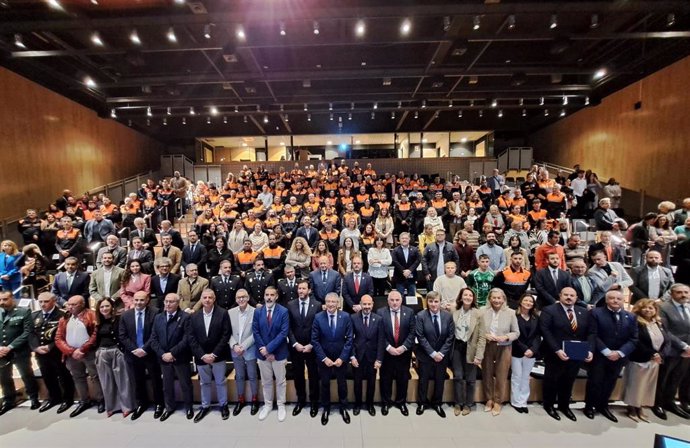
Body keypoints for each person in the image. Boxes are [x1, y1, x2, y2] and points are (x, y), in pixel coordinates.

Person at [624, 299, 686, 422]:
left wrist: (661, 355)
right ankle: (632, 408)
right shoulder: (635, 322)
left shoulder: (659, 322)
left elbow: (667, 340)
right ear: (639, 309)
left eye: (651, 308)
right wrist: (652, 354)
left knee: (647, 386)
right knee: (636, 385)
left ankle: (640, 407)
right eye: (645, 308)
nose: (648, 310)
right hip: (640, 359)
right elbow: (636, 341)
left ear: (655, 310)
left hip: (656, 361)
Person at [583, 287, 639, 422]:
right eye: (612, 298)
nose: (615, 300)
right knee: (595, 381)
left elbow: (634, 339)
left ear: (623, 300)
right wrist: (607, 351)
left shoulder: (631, 316)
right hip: (600, 355)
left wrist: (620, 353)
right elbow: (592, 334)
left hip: (619, 357)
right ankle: (589, 406)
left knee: (610, 382)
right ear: (606, 300)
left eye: (618, 298)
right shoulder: (596, 313)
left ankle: (603, 406)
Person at [539, 287, 595, 422]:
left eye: (572, 295)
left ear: (576, 298)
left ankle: (564, 406)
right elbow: (545, 331)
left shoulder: (583, 312)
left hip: (576, 354)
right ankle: (549, 405)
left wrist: (590, 350)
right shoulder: (549, 310)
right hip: (555, 353)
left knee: (569, 380)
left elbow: (591, 332)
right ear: (560, 296)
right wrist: (557, 349)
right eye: (566, 295)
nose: (569, 297)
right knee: (551, 380)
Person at [55, 295, 105, 417]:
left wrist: (82, 349)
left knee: (95, 376)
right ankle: (84, 401)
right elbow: (58, 338)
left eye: (73, 304)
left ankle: (101, 400)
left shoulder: (92, 315)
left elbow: (95, 334)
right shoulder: (65, 317)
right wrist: (71, 351)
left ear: (82, 304)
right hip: (71, 354)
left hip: (88, 353)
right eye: (69, 304)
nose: (70, 307)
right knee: (78, 377)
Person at [187, 288, 231, 423]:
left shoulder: (223, 313)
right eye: (204, 297)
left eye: (210, 297)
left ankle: (223, 405)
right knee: (204, 383)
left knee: (220, 382)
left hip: (218, 355)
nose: (207, 300)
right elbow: (191, 337)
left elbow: (226, 334)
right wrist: (202, 355)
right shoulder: (194, 316)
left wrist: (214, 353)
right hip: (201, 357)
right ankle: (205, 406)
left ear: (214, 299)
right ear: (201, 299)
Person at [118, 290, 164, 420]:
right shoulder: (125, 315)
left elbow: (156, 333)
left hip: (150, 353)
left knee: (156, 381)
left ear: (147, 300)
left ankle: (159, 404)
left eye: (141, 300)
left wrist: (145, 349)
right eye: (136, 300)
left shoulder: (156, 313)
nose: (138, 302)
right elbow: (122, 335)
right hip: (133, 355)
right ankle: (141, 404)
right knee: (137, 381)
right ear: (133, 300)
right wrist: (135, 349)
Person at [311, 292, 354, 425]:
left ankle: (344, 408)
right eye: (328, 301)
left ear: (338, 303)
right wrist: (324, 358)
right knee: (325, 384)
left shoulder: (346, 317)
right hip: (324, 359)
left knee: (342, 384)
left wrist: (342, 358)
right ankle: (326, 409)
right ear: (325, 303)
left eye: (333, 302)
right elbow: (315, 340)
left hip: (341, 358)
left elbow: (350, 339)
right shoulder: (318, 317)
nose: (330, 304)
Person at [29, 292, 75, 414]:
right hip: (40, 353)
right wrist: (36, 347)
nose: (43, 304)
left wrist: (50, 346)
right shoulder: (34, 315)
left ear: (54, 301)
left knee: (63, 375)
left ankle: (68, 398)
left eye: (46, 301)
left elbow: (65, 335)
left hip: (57, 351)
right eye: (40, 302)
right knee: (47, 376)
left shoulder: (62, 315)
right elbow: (31, 333)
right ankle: (54, 398)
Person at [252, 286, 290, 422]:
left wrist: (269, 349)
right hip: (262, 354)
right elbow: (255, 332)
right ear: (263, 296)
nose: (269, 297)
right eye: (267, 294)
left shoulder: (284, 311)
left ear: (276, 296)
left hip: (278, 353)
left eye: (272, 295)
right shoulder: (258, 311)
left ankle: (281, 405)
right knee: (266, 381)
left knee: (280, 381)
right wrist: (265, 350)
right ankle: (268, 405)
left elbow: (283, 333)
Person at [480, 288, 520, 416]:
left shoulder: (511, 313)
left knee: (501, 375)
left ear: (503, 299)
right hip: (487, 346)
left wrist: (506, 337)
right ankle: (489, 399)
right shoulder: (482, 311)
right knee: (487, 372)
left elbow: (516, 332)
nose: (496, 300)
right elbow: (477, 329)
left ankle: (498, 401)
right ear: (490, 299)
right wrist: (485, 335)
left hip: (504, 346)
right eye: (494, 298)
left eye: (499, 298)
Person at [414, 291, 454, 418]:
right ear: (427, 302)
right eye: (430, 301)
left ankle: (437, 403)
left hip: (442, 356)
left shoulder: (447, 316)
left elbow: (450, 336)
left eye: (436, 301)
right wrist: (432, 353)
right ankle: (422, 403)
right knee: (423, 380)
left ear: (440, 302)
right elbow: (420, 336)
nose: (433, 304)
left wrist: (441, 353)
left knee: (440, 380)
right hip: (426, 355)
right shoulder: (420, 316)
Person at [94, 297, 135, 418]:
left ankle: (127, 406)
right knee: (107, 382)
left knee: (123, 380)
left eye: (107, 306)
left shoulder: (119, 319)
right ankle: (111, 406)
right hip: (102, 352)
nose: (104, 309)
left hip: (117, 351)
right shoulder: (97, 322)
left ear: (112, 307)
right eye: (102, 307)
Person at [0, 290, 39, 415]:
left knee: (26, 375)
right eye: (0, 300)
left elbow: (27, 332)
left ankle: (33, 397)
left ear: (12, 298)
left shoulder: (23, 311)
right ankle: (9, 400)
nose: (2, 302)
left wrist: (10, 346)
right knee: (4, 378)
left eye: (5, 299)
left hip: (19, 351)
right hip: (2, 352)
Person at [654, 283, 690, 420]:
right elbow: (665, 331)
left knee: (678, 377)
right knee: (663, 378)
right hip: (671, 349)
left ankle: (670, 402)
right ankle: (658, 404)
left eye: (686, 292)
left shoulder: (689, 306)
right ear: (672, 293)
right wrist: (683, 346)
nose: (683, 295)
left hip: (688, 351)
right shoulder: (663, 307)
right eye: (679, 292)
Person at [377, 290, 416, 416]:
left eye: (397, 300)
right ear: (388, 301)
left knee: (403, 378)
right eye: (392, 300)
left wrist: (403, 347)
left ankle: (401, 402)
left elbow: (412, 333)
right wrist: (388, 347)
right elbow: (380, 334)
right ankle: (386, 402)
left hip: (404, 353)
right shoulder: (380, 312)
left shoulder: (409, 312)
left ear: (401, 300)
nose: (394, 303)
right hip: (387, 353)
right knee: (385, 378)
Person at [287, 279, 321, 418]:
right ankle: (301, 400)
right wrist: (295, 344)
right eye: (299, 288)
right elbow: (288, 327)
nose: (301, 291)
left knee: (314, 375)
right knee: (298, 375)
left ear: (309, 290)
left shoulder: (317, 305)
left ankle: (314, 402)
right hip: (296, 348)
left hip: (312, 347)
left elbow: (318, 327)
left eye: (303, 288)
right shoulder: (290, 304)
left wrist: (312, 344)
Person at [451, 288, 485, 416]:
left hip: (471, 348)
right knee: (458, 376)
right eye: (465, 295)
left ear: (473, 298)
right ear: (461, 297)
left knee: (470, 379)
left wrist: (479, 355)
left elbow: (482, 337)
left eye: (470, 295)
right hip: (457, 347)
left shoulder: (479, 313)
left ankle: (468, 403)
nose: (468, 297)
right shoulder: (454, 311)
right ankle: (458, 403)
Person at [350, 294, 384, 417]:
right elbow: (350, 340)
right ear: (360, 304)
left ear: (372, 304)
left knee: (371, 383)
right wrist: (352, 357)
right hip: (358, 357)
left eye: (369, 304)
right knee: (357, 383)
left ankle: (370, 404)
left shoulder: (379, 319)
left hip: (372, 357)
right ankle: (357, 404)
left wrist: (379, 359)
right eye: (364, 304)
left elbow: (381, 341)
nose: (367, 307)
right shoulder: (353, 318)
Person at [228, 289, 259, 416]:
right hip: (235, 350)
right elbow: (227, 332)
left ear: (248, 298)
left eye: (243, 297)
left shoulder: (255, 312)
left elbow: (256, 332)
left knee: (252, 375)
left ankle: (254, 399)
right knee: (239, 376)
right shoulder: (230, 312)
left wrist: (244, 346)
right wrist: (234, 345)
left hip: (249, 349)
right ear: (236, 299)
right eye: (238, 297)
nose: (241, 299)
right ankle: (240, 399)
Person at [510, 293, 541, 414]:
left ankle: (523, 401)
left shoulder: (536, 317)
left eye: (531, 301)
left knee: (525, 377)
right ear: (521, 302)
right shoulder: (514, 316)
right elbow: (514, 334)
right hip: (517, 351)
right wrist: (524, 349)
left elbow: (538, 335)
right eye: (526, 300)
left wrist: (533, 349)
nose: (528, 303)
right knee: (516, 376)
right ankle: (515, 401)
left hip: (531, 353)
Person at [391, 232, 421, 298]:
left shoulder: (415, 249)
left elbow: (418, 260)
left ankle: (411, 308)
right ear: (399, 240)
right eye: (402, 238)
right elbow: (395, 261)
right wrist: (403, 271)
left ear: (409, 239)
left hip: (412, 277)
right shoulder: (395, 250)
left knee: (412, 297)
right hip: (399, 277)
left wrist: (410, 270)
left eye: (406, 238)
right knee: (399, 297)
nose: (404, 240)